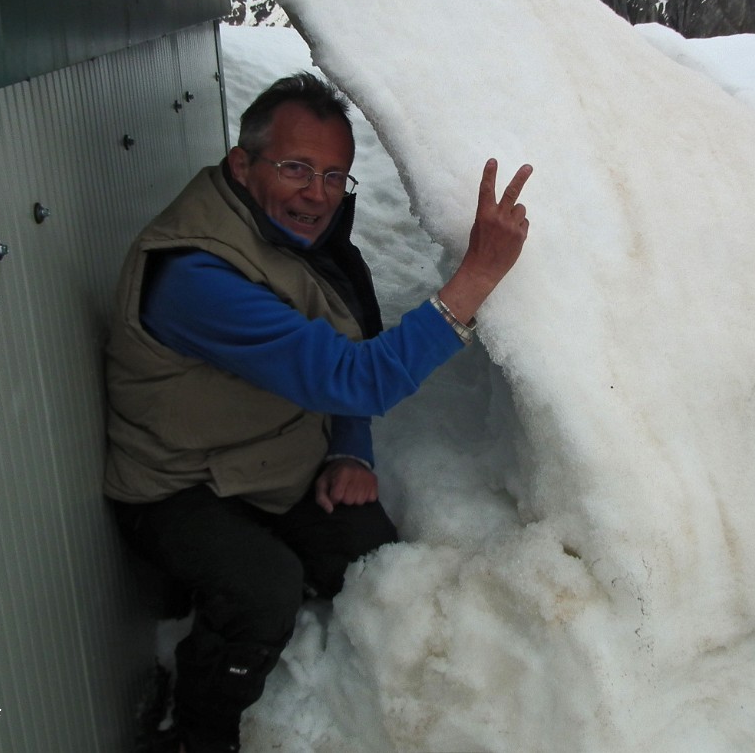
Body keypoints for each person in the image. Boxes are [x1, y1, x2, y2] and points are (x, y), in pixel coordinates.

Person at [103, 72, 532, 753]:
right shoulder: (200, 276)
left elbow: (339, 345)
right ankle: (197, 731)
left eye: (335, 176)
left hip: (266, 453)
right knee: (262, 590)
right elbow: (353, 376)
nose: (318, 194)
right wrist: (476, 275)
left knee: (363, 554)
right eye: (297, 167)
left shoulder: (290, 238)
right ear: (242, 164)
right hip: (178, 482)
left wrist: (348, 450)